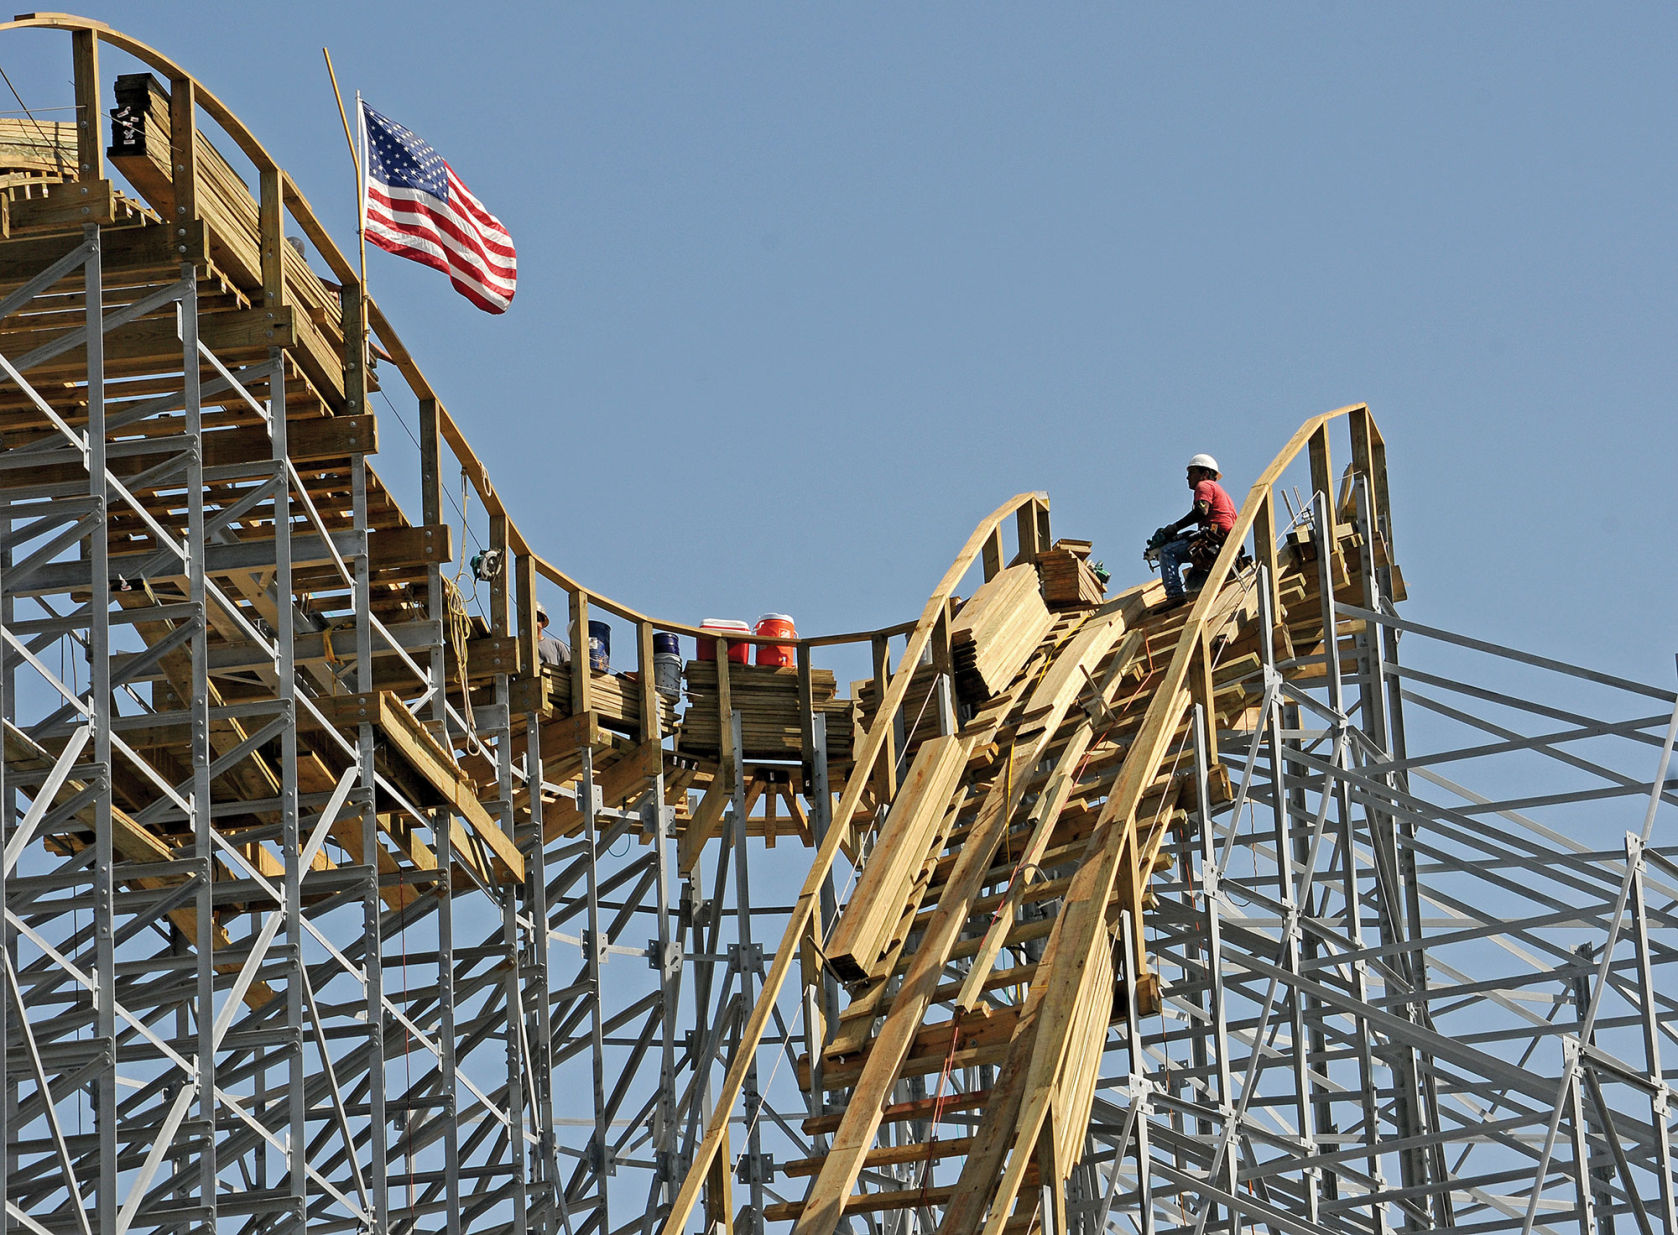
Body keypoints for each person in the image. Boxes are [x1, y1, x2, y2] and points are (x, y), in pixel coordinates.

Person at [1148, 452, 1237, 610]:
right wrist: (1180, 535)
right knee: (1192, 581)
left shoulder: (1204, 485)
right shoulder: (1221, 492)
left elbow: (1201, 511)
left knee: (1167, 552)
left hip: (1213, 539)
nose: (1187, 477)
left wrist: (1174, 528)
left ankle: (1174, 595)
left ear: (1204, 474)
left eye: (1191, 472)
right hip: (1225, 541)